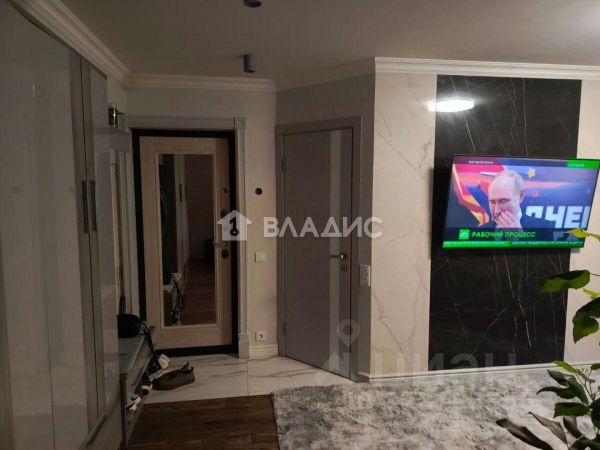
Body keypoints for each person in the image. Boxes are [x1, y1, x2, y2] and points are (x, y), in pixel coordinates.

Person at [480, 170, 554, 239]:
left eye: (503, 201)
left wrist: (518, 239)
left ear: (521, 196)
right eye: (492, 202)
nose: (496, 211)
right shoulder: (480, 231)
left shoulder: (543, 229)